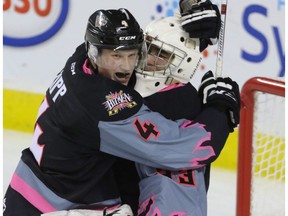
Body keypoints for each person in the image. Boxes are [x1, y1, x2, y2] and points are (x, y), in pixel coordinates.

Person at [3, 7, 239, 216]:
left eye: (132, 55)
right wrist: (219, 107)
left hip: (30, 190)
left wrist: (192, 23)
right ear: (96, 53)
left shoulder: (81, 61)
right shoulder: (103, 108)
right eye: (116, 56)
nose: (126, 67)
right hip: (52, 207)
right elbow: (189, 148)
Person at [135, 1, 239, 215]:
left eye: (161, 54)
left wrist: (217, 112)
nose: (148, 57)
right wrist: (218, 112)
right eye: (148, 47)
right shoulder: (133, 80)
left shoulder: (181, 103)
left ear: (183, 64)